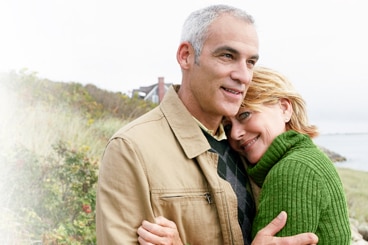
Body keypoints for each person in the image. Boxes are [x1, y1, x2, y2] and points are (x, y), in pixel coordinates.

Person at [96, 4, 318, 245]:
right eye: (227, 56)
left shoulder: (248, 147)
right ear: (186, 56)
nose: (243, 76)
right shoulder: (131, 149)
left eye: (250, 62)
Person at [223, 66, 351, 243]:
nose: (235, 134)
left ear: (284, 109)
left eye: (245, 115)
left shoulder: (292, 171)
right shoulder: (306, 157)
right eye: (227, 126)